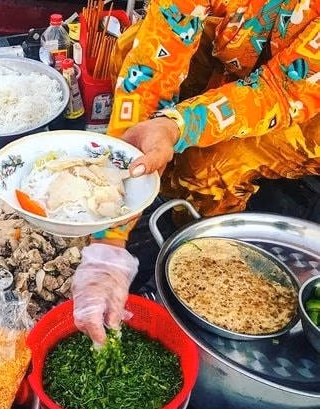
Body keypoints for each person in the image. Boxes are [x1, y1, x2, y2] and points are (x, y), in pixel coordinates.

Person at [72, 0, 320, 347]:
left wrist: (177, 125)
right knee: (130, 46)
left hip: (303, 101)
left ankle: (200, 259)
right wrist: (110, 237)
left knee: (210, 165)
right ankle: (160, 181)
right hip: (242, 51)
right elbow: (155, 54)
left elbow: (279, 90)